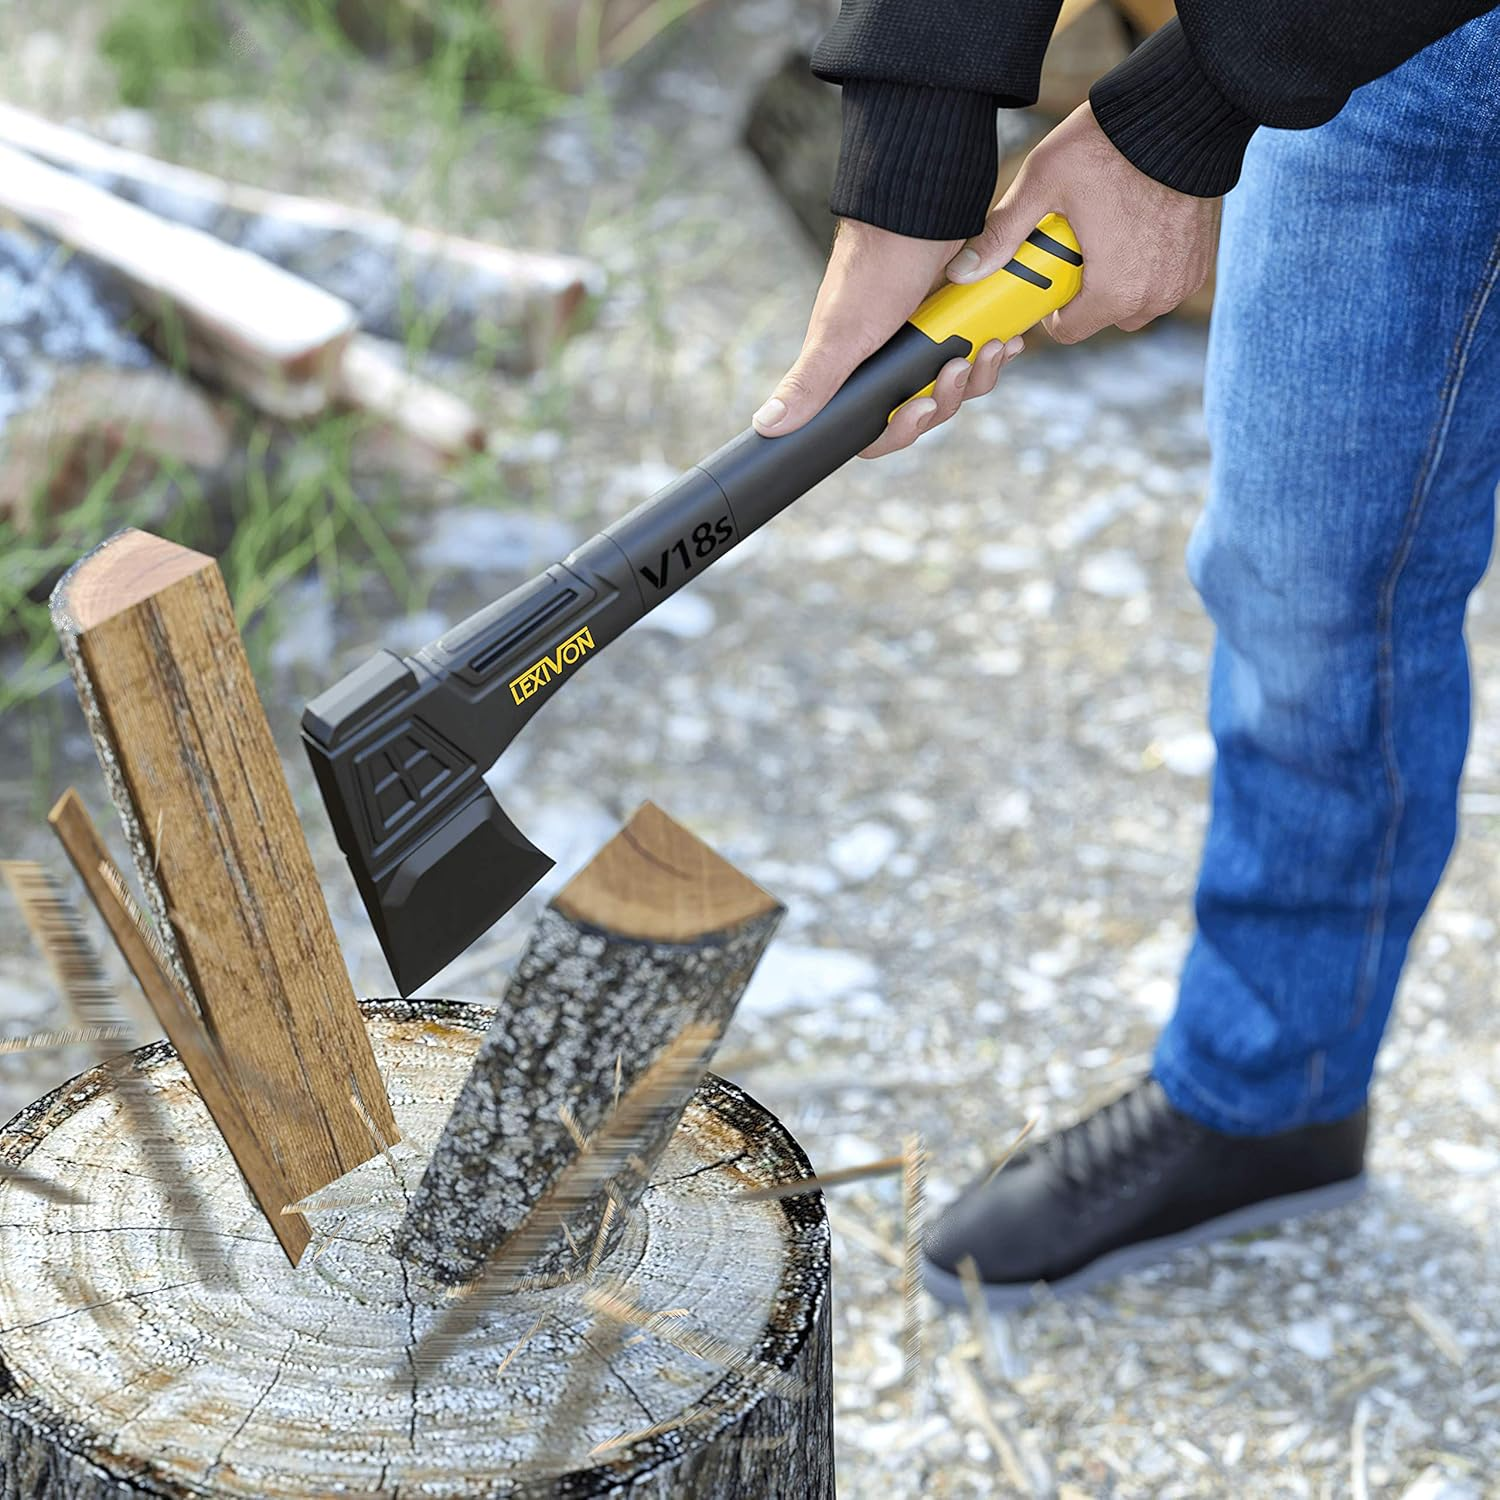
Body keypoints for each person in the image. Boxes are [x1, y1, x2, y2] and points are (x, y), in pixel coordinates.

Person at [753, 2, 1500, 1308]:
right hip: (1403, 54)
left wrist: (1189, 107)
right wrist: (916, 127)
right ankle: (1277, 1089)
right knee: (1303, 575)